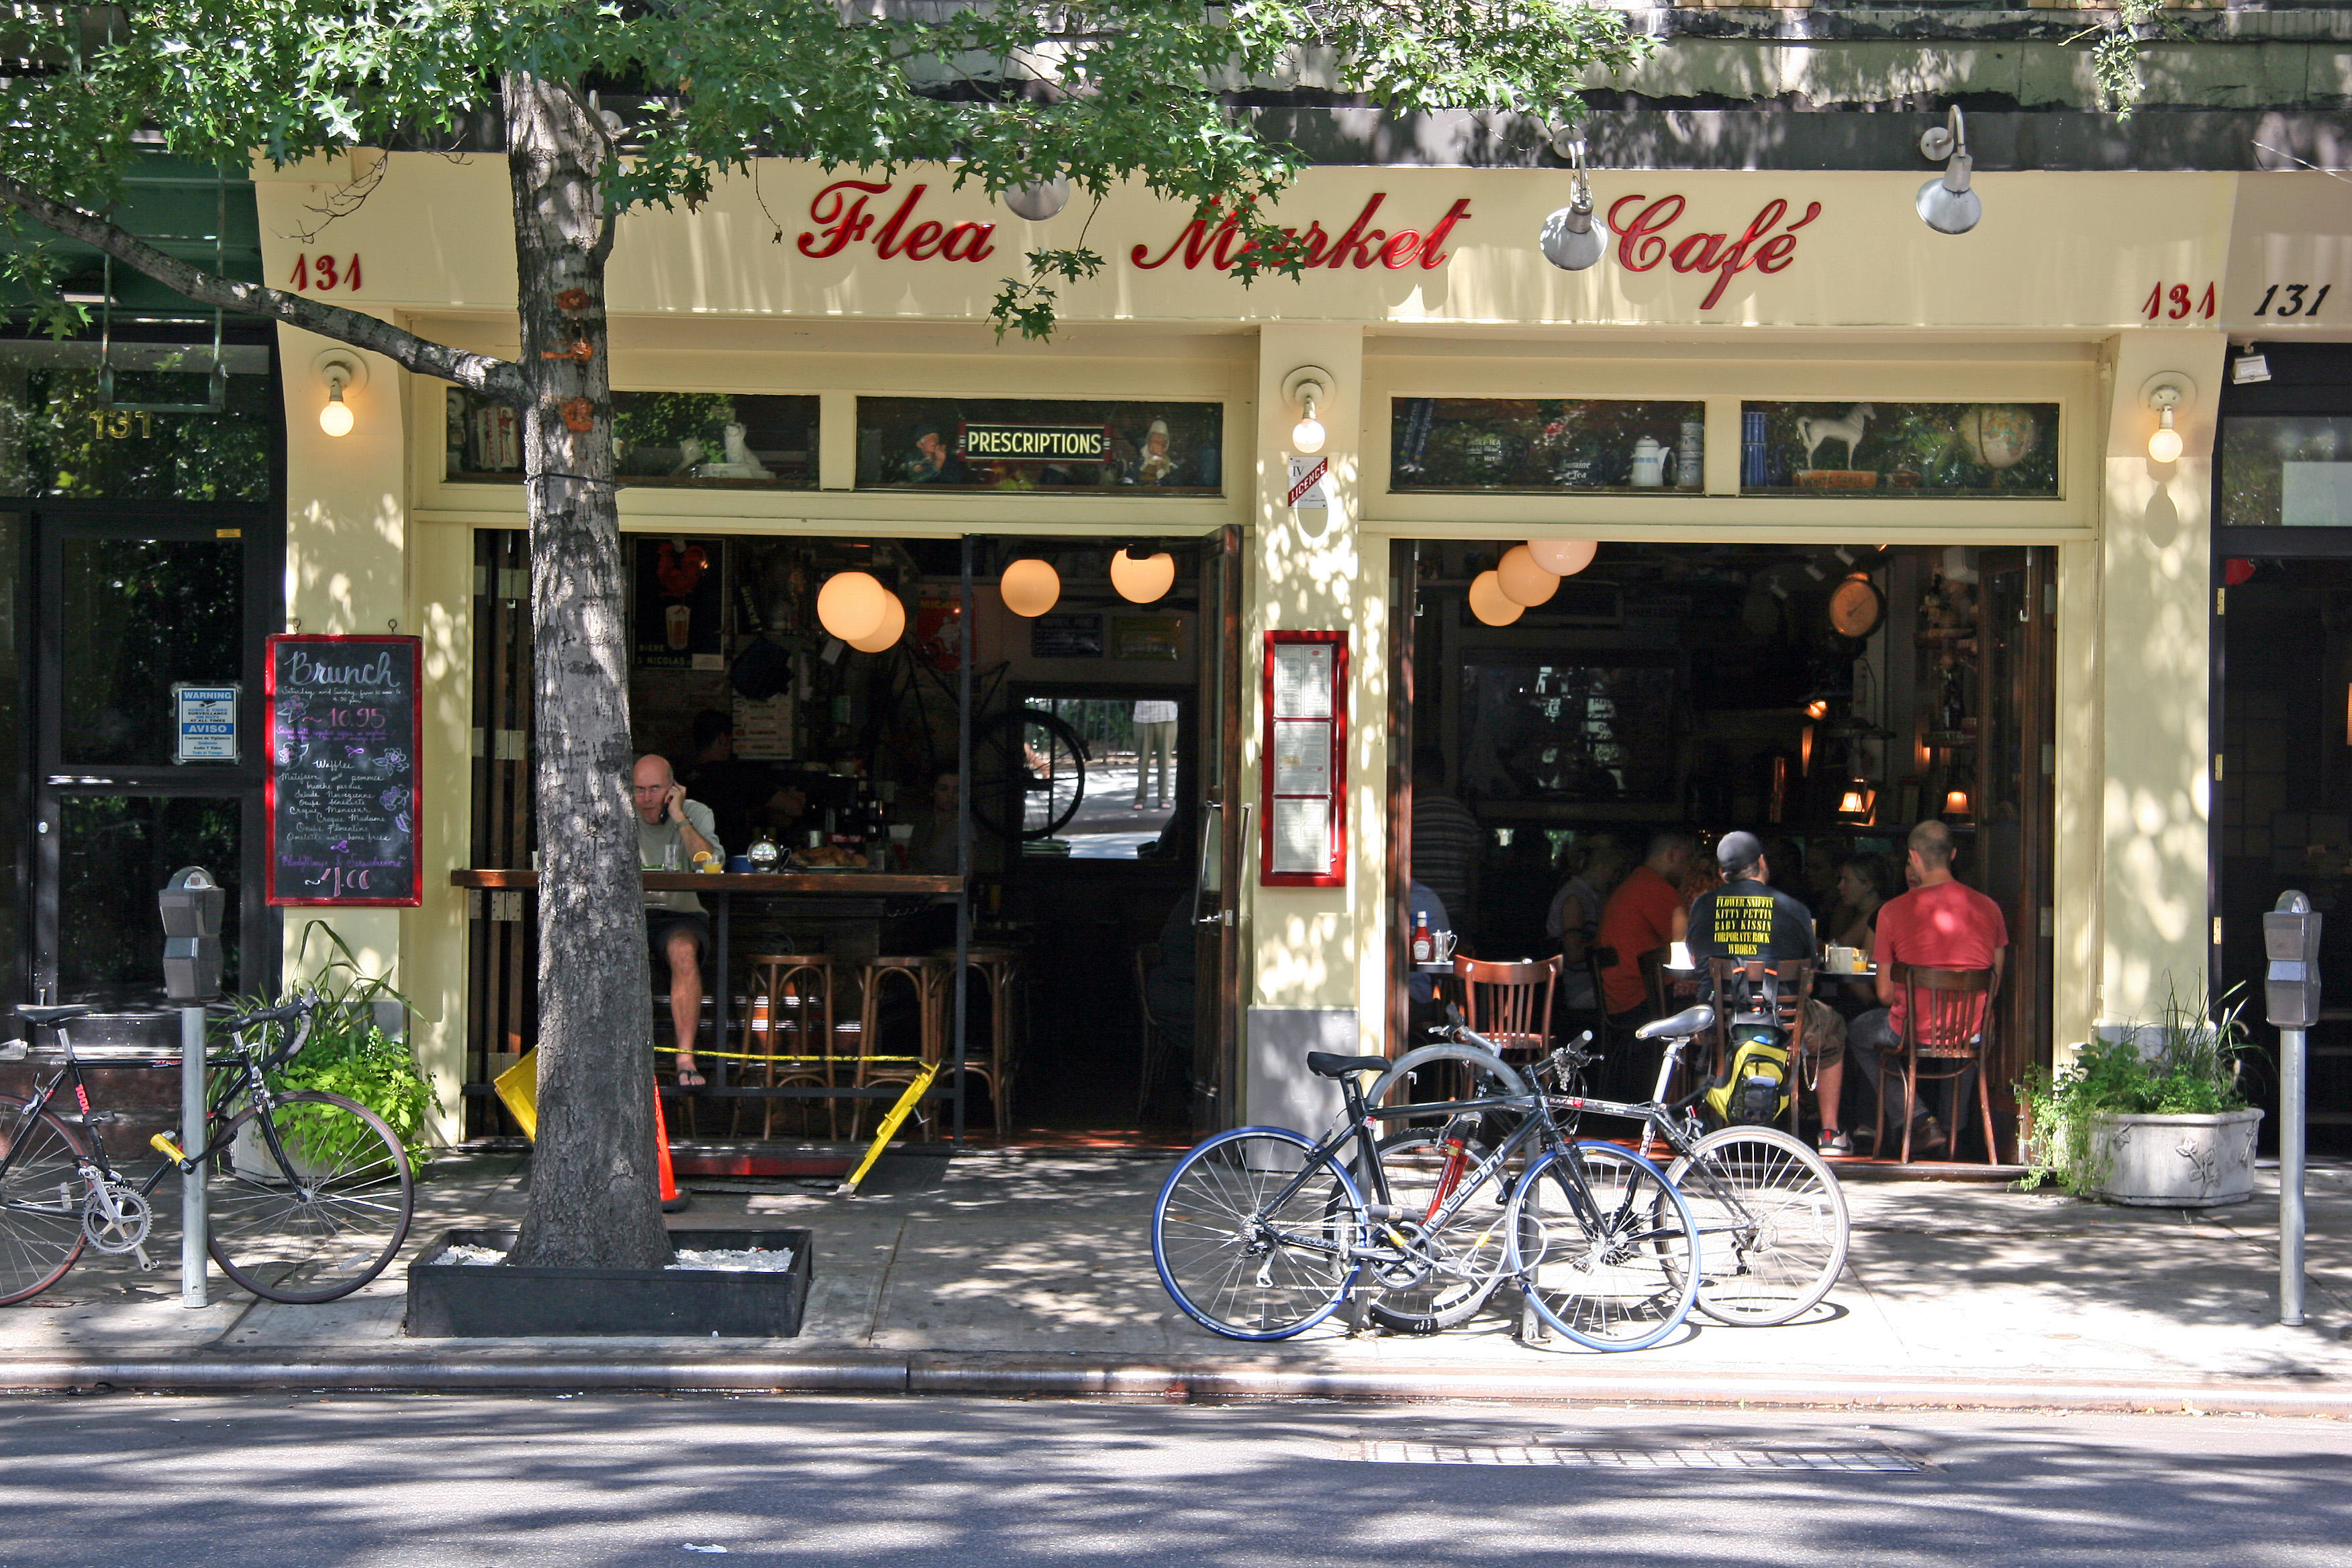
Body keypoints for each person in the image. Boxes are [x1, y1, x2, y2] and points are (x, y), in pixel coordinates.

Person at [1849, 819, 2010, 1158]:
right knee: (1969, 1033)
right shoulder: (1990, 908)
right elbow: (1995, 981)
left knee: (1860, 1030)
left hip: (1911, 1031)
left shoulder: (1891, 912)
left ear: (1913, 857)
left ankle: (1921, 1121)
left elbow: (1884, 995)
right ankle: (1955, 1135)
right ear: (1952, 854)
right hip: (1971, 1033)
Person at [1685, 831, 1850, 1155]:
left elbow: (1696, 964)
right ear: (1761, 863)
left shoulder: (1703, 906)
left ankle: (1706, 1129)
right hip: (1785, 1026)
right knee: (1835, 1028)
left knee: (1691, 1033)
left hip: (1718, 1025)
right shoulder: (1794, 909)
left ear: (1723, 873)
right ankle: (1830, 1134)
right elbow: (1809, 981)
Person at [633, 754, 722, 1087]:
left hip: (680, 913)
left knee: (684, 952)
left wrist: (679, 817)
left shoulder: (695, 812)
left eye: (655, 788)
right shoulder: (620, 812)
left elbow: (708, 864)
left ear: (673, 787)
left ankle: (685, 1059)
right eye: (639, 789)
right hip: (629, 916)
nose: (646, 798)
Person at [1594, 830, 1697, 1096]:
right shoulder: (1653, 888)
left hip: (1621, 994)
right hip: (1639, 997)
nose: (1688, 870)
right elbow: (1689, 941)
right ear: (1672, 854)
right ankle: (1686, 1097)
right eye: (1686, 860)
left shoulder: (1637, 882)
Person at [677, 709, 805, 857]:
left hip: (691, 860)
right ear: (722, 739)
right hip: (734, 861)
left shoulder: (681, 780)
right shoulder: (738, 775)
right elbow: (794, 808)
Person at [1546, 833, 1629, 1014]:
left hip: (1592, 983)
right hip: (1580, 989)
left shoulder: (1592, 896)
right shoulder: (1574, 899)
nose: (1615, 878)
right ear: (1600, 866)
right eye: (1614, 872)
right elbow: (1574, 953)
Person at [1410, 748, 1481, 934]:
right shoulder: (1465, 817)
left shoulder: (1409, 816)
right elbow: (1473, 873)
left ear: (1416, 773)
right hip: (1455, 911)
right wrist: (1472, 913)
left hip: (1417, 909)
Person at [1822, 851, 1895, 1020]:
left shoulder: (1878, 914)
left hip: (1870, 1005)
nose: (1840, 886)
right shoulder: (1851, 912)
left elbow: (1855, 964)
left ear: (1868, 885)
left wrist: (1873, 1008)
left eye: (1846, 880)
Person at [1131, 698, 1177, 809]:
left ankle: (1164, 797)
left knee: (1164, 762)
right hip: (1143, 716)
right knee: (1143, 762)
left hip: (1167, 716)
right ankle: (1140, 798)